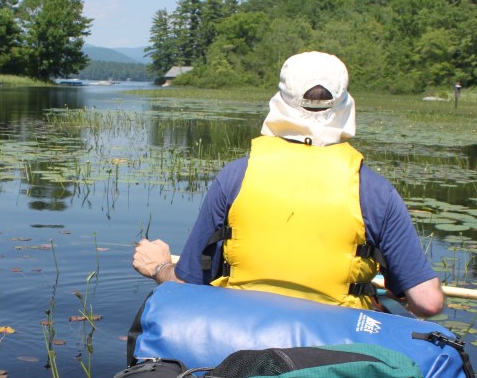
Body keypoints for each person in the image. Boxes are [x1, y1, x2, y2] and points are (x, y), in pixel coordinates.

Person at [132, 51, 443, 317]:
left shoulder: (235, 177)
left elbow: (188, 286)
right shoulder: (375, 191)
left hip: (241, 335)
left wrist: (158, 267)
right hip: (334, 344)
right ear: (345, 105)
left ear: (280, 102)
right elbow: (427, 303)